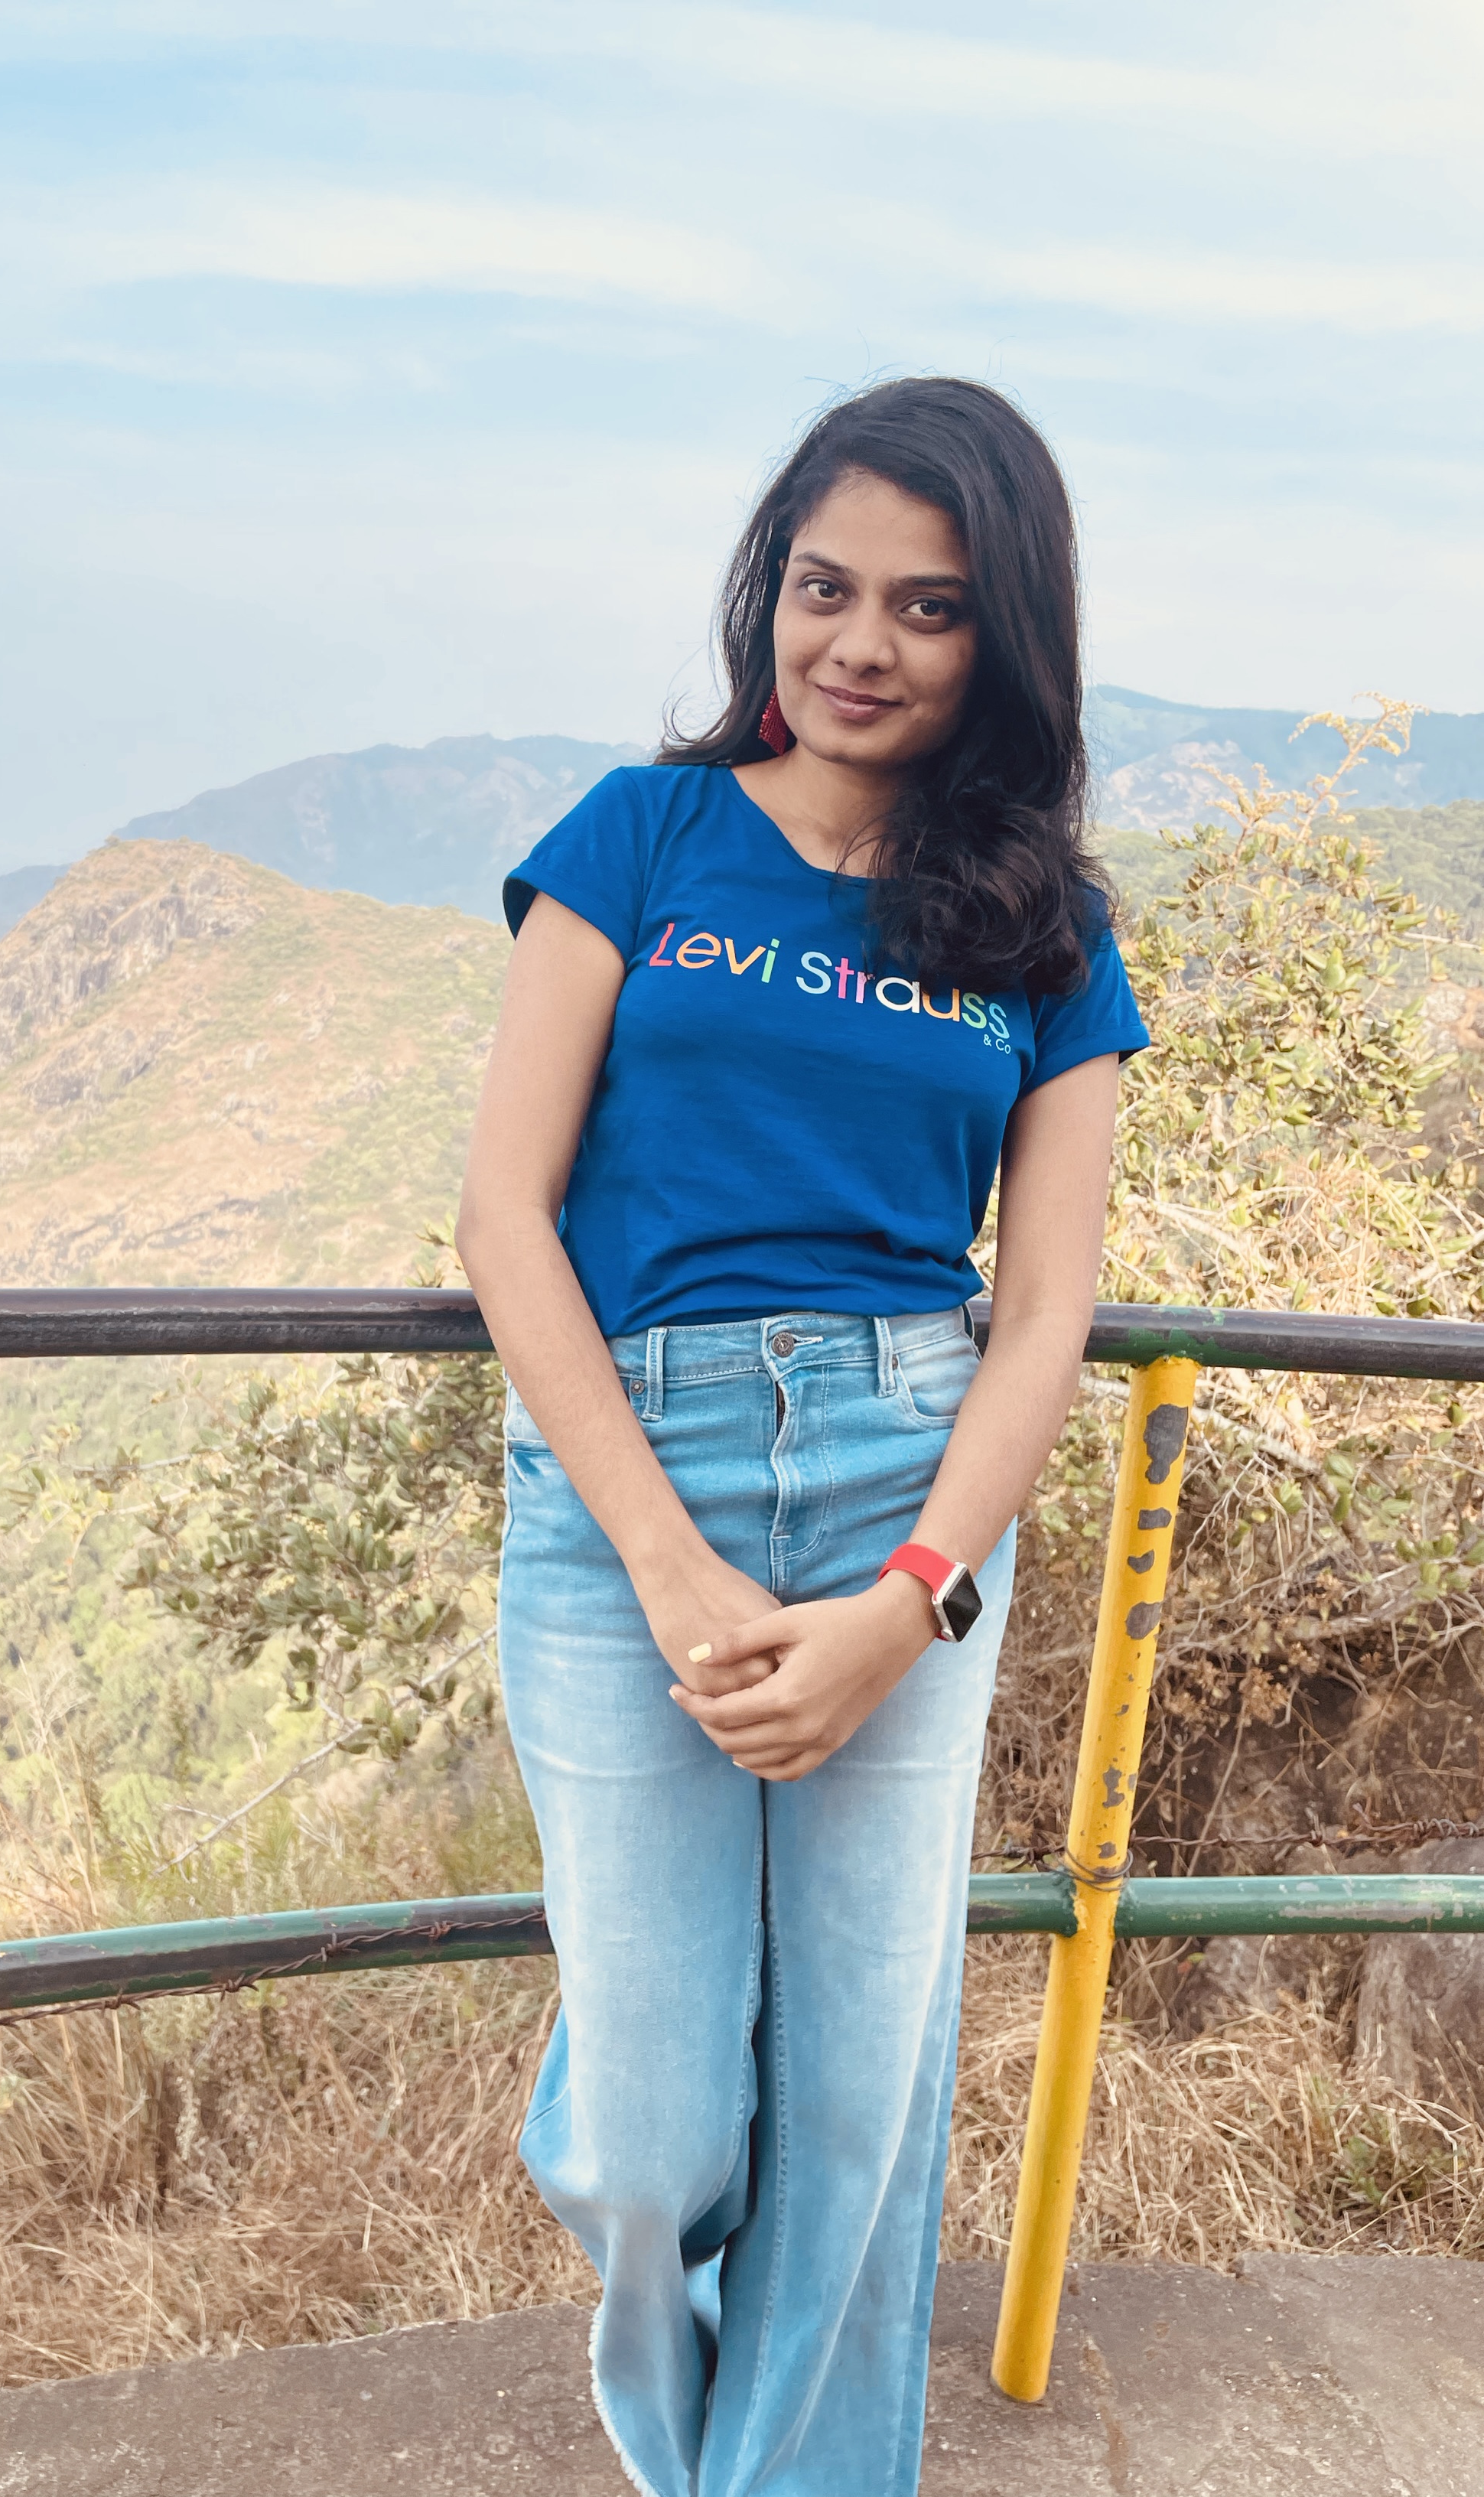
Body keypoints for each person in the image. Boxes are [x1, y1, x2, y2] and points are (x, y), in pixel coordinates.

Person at [454, 376, 1148, 2497]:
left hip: (904, 1482)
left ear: (1002, 639)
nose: (861, 644)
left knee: (856, 2102)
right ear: (771, 589)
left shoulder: (1043, 923)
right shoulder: (640, 837)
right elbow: (503, 1218)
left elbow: (1045, 1313)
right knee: (658, 2131)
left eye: (929, 609)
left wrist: (911, 1603)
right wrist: (664, 1557)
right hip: (628, 1490)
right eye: (825, 588)